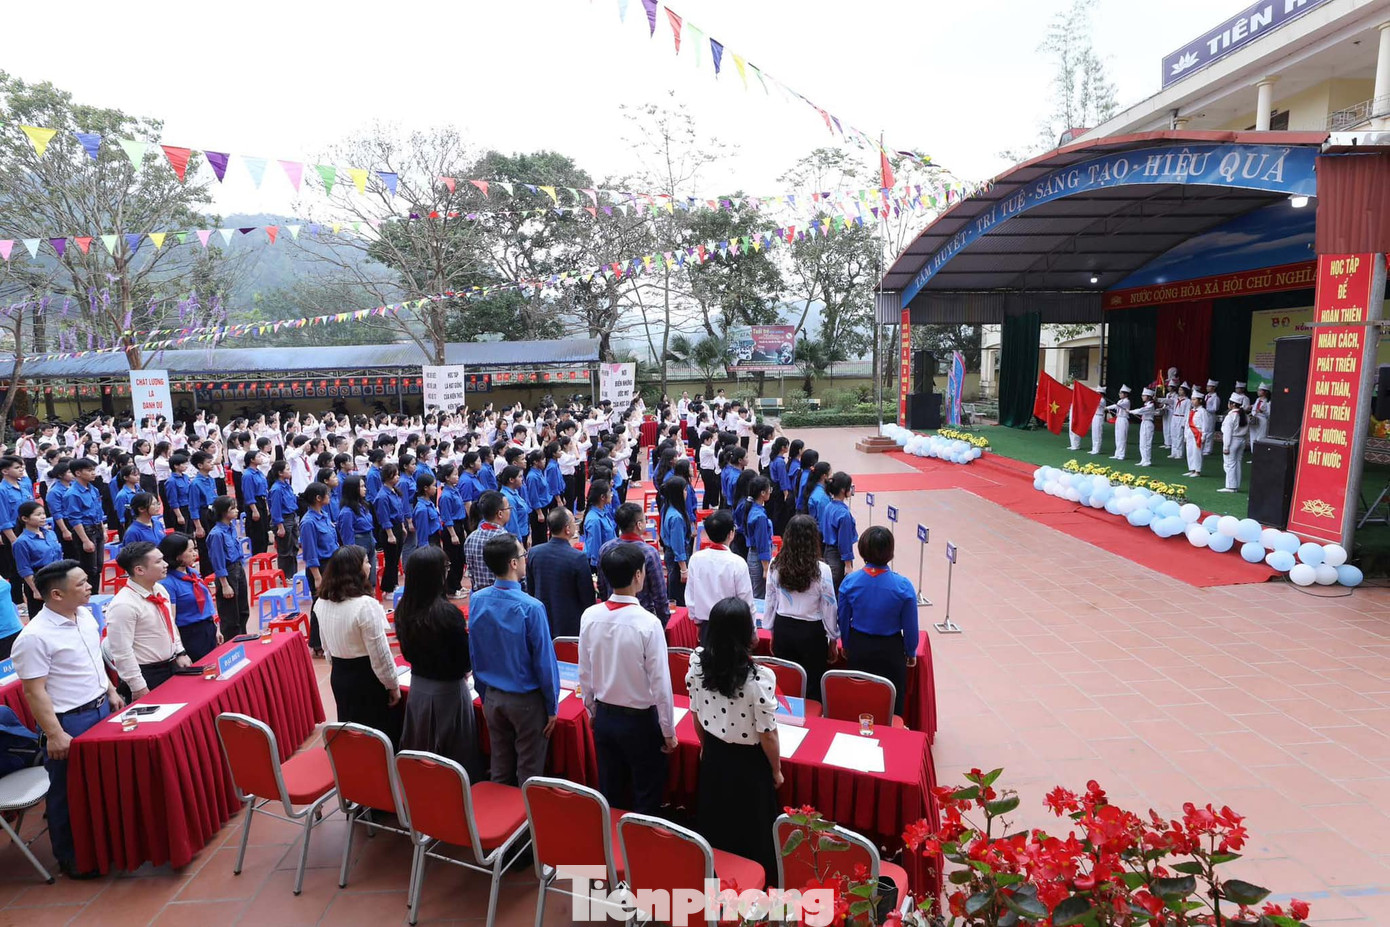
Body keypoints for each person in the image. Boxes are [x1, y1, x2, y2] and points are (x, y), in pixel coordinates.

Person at [11, 560, 125, 879]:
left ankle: (105, 843)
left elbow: (93, 659)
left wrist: (110, 689)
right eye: (81, 584)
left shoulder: (84, 615)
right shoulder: (35, 637)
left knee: (101, 783)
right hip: (68, 721)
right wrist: (55, 733)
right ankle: (71, 856)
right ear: (57, 594)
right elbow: (34, 692)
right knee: (67, 790)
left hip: (100, 709)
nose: (90, 587)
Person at [685, 596, 782, 883]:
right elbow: (768, 734)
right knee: (753, 831)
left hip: (714, 756)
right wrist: (776, 770)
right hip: (749, 764)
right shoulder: (760, 678)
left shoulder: (698, 664)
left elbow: (696, 713)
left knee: (717, 825)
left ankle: (715, 883)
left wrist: (705, 747)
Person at [578, 542, 676, 815]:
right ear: (638, 575)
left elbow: (584, 672)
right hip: (640, 722)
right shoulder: (648, 623)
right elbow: (660, 683)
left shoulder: (590, 615)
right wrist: (668, 731)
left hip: (606, 716)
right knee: (646, 795)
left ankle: (611, 841)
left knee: (611, 793)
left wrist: (592, 710)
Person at [468, 534, 560, 785]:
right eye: (522, 555)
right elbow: (544, 662)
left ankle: (499, 810)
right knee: (529, 772)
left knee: (500, 766)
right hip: (526, 702)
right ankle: (525, 811)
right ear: (513, 563)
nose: (525, 559)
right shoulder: (532, 607)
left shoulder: (477, 599)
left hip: (493, 697)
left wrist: (484, 694)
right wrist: (551, 706)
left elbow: (475, 651)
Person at [395, 545, 482, 777]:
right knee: (455, 756)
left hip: (418, 688)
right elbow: (465, 659)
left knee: (421, 751)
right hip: (448, 691)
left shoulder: (404, 608)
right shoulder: (446, 614)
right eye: (446, 567)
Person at [314, 545, 402, 744]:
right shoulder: (365, 606)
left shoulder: (321, 602)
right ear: (355, 570)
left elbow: (326, 647)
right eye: (366, 562)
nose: (370, 566)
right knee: (377, 736)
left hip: (339, 675)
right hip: (366, 679)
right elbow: (380, 654)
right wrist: (392, 684)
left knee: (351, 734)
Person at [837, 527, 918, 718]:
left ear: (862, 550)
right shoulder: (903, 586)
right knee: (892, 703)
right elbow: (910, 626)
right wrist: (911, 651)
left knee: (859, 699)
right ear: (890, 552)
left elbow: (843, 619)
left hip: (860, 648)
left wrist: (846, 644)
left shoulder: (850, 582)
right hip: (891, 651)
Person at [767, 514, 840, 701]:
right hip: (811, 633)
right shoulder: (822, 569)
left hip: (783, 628)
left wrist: (771, 629)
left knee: (785, 683)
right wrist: (833, 638)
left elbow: (770, 600)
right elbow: (829, 607)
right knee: (812, 686)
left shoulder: (775, 565)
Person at [104, 540, 188, 699]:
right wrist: (138, 686)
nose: (165, 564)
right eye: (158, 562)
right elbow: (122, 651)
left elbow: (170, 624)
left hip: (171, 666)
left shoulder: (159, 589)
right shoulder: (123, 605)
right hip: (148, 674)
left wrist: (179, 651)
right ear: (139, 570)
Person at [684, 510, 753, 648]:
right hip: (732, 625)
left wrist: (697, 622)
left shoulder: (696, 559)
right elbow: (746, 601)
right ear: (731, 533)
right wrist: (753, 631)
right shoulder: (737, 562)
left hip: (707, 624)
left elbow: (690, 597)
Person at [595, 503, 669, 628]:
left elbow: (601, 585)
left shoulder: (606, 548)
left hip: (611, 617)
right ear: (639, 525)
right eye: (644, 519)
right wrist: (661, 624)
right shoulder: (649, 553)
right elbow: (660, 595)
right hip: (643, 619)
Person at [526, 507, 596, 638]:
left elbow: (530, 589)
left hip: (542, 621)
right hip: (570, 626)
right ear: (567, 529)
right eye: (573, 523)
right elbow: (587, 598)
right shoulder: (577, 557)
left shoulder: (534, 553)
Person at [157, 533, 221, 662]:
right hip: (190, 634)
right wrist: (180, 651)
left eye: (194, 549)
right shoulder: (167, 583)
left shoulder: (193, 573)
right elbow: (171, 619)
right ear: (177, 555)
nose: (195, 554)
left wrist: (216, 627)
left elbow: (207, 602)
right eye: (190, 551)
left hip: (208, 627)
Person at [301, 482, 339, 654]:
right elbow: (310, 552)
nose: (329, 496)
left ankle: (330, 639)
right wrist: (317, 577)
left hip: (332, 564)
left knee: (333, 603)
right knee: (320, 605)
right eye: (327, 494)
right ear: (318, 498)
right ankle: (317, 644)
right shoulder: (308, 522)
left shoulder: (323, 515)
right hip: (320, 568)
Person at [207, 496, 251, 638]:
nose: (237, 510)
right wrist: (225, 584)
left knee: (243, 610)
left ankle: (243, 638)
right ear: (224, 512)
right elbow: (218, 561)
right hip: (228, 573)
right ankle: (232, 643)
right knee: (230, 615)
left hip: (238, 568)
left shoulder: (231, 528)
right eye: (233, 508)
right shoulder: (216, 534)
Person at [14, 501, 62, 618]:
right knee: (41, 616)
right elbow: (24, 569)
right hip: (39, 579)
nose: (43, 517)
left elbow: (59, 556)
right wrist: (35, 589)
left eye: (43, 513)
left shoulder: (50, 534)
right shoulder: (21, 542)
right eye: (38, 514)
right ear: (25, 518)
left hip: (57, 575)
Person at [464, 491, 513, 593]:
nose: (510, 510)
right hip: (502, 594)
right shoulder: (507, 540)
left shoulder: (471, 538)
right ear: (500, 514)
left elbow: (471, 571)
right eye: (508, 508)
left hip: (478, 593)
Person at [336, 475, 377, 592]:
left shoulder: (363, 506)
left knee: (371, 577)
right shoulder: (347, 512)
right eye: (362, 486)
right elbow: (347, 538)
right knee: (360, 578)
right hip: (358, 545)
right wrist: (353, 555)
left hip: (369, 542)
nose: (365, 489)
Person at [817, 472, 857, 592]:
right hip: (838, 557)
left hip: (827, 552)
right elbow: (844, 541)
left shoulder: (829, 506)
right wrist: (848, 565)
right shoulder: (843, 514)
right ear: (843, 490)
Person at [373, 463, 405, 595]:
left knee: (396, 559)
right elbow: (384, 517)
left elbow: (399, 511)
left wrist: (402, 526)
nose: (397, 477)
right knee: (391, 560)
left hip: (397, 527)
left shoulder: (394, 491)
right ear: (387, 476)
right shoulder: (382, 496)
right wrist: (390, 535)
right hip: (389, 530)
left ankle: (394, 584)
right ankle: (388, 588)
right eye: (395, 474)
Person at [659, 476, 690, 607]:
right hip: (676, 558)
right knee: (678, 593)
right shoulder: (676, 517)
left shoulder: (667, 507)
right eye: (685, 490)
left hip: (670, 554)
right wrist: (683, 569)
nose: (686, 493)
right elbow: (678, 545)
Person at [268, 460, 300, 580]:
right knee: (285, 549)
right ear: (280, 473)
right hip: (283, 520)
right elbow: (275, 509)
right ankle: (285, 575)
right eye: (287, 469)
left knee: (293, 547)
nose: (290, 471)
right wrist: (280, 526)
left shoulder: (286, 485)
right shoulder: (277, 489)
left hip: (291, 517)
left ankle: (293, 573)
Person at [744, 476, 773, 598]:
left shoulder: (752, 509)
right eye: (769, 489)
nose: (770, 491)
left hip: (754, 555)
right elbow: (762, 543)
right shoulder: (760, 516)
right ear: (762, 493)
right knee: (759, 595)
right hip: (759, 558)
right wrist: (765, 568)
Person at [581, 479, 616, 570]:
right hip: (599, 565)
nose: (611, 494)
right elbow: (595, 548)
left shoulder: (603, 511)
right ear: (602, 497)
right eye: (610, 492)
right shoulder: (594, 520)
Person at [1219, 395, 1250, 493]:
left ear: (1232, 404)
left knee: (1229, 464)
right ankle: (1235, 485)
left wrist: (1226, 446)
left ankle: (1230, 486)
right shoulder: (1244, 415)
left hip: (1233, 440)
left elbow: (1227, 433)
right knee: (1237, 462)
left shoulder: (1231, 416)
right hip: (1241, 440)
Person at [1183, 385, 1205, 478]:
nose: (1192, 401)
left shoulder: (1202, 411)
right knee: (1190, 451)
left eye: (1194, 399)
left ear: (1200, 400)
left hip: (1198, 434)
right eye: (1192, 399)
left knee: (1197, 452)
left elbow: (1205, 425)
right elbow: (1187, 423)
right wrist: (1185, 435)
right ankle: (1191, 469)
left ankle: (1197, 470)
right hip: (1190, 433)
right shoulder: (1191, 411)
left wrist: (1204, 436)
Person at [1134, 387, 1159, 467]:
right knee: (1142, 442)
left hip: (1148, 423)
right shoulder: (1147, 404)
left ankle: (1147, 460)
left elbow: (1140, 411)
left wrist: (1130, 411)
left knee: (1147, 442)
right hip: (1144, 422)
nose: (1142, 397)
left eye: (1144, 395)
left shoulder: (1150, 405)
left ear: (1148, 397)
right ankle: (1143, 459)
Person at [1109, 385, 1132, 461]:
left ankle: (1122, 454)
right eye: (1119, 393)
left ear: (1125, 394)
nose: (1119, 394)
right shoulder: (1120, 401)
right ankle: (1117, 453)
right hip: (1118, 419)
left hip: (1123, 419)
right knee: (1117, 437)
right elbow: (1117, 407)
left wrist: (1107, 407)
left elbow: (1117, 406)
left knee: (1122, 437)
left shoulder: (1126, 401)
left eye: (1121, 393)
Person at [1203, 378, 1221, 455]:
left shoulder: (1215, 398)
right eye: (1207, 386)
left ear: (1213, 388)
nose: (1207, 388)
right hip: (1204, 415)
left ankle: (1208, 449)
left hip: (1210, 415)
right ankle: (1203, 447)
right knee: (1204, 431)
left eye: (1209, 386)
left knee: (1209, 432)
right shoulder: (1206, 396)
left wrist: (1206, 409)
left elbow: (1215, 408)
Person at [1089, 387, 1106, 456]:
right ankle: (1094, 448)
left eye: (1097, 393)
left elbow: (1096, 403)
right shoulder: (1098, 399)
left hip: (1099, 416)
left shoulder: (1102, 400)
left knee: (1098, 433)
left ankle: (1097, 449)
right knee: (1094, 433)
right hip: (1095, 416)